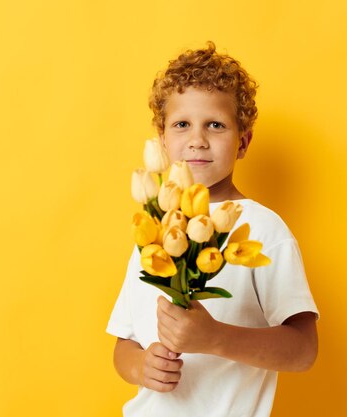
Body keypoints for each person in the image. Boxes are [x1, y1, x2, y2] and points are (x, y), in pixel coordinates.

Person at [107, 42, 319, 417]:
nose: (197, 139)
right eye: (182, 124)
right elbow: (125, 344)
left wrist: (216, 338)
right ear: (162, 140)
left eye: (215, 125)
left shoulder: (264, 228)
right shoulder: (155, 230)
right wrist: (142, 367)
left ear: (243, 141)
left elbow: (303, 351)